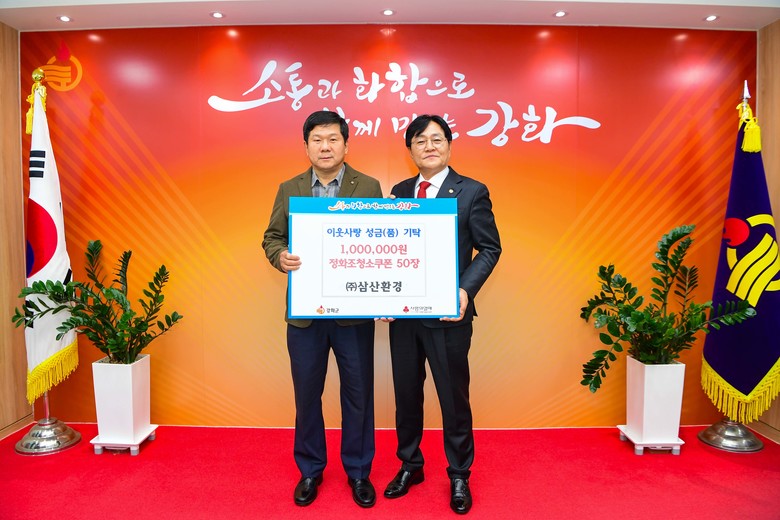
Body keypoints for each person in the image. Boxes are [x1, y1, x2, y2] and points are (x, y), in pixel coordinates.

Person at [262, 110, 383, 508]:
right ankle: (311, 469)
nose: (325, 146)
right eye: (317, 139)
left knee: (358, 395)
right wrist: (280, 256)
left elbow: (379, 244)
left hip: (353, 315)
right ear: (306, 146)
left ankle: (359, 471)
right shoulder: (289, 188)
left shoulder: (368, 186)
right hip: (305, 315)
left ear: (346, 144)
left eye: (333, 139)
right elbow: (272, 237)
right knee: (307, 395)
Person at [383, 114, 501, 514]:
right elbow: (389, 252)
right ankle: (410, 465)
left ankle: (459, 473)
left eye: (436, 139)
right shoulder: (400, 193)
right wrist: (381, 298)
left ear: (449, 145)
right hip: (403, 317)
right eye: (420, 141)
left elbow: (490, 248)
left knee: (453, 398)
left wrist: (464, 291)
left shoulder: (471, 191)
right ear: (410, 150)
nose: (429, 146)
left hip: (448, 317)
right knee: (406, 395)